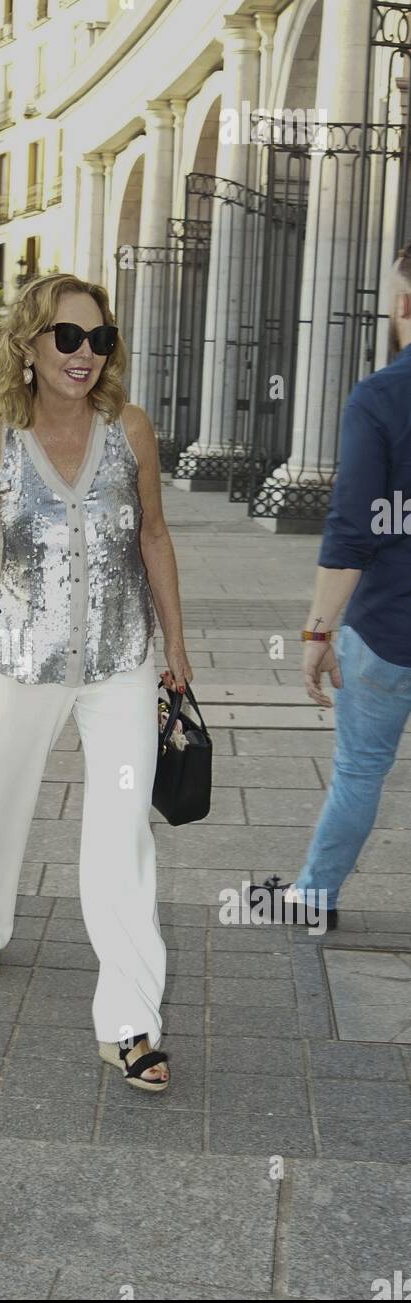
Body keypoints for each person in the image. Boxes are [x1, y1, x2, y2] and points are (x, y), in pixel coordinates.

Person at [0, 272, 194, 1092]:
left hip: (120, 660)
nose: (85, 355)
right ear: (31, 345)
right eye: (68, 338)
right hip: (19, 659)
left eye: (99, 340)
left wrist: (175, 653)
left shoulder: (131, 430)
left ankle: (131, 1022)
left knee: (122, 837)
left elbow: (153, 537)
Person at [285, 246, 411, 931]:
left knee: (361, 770)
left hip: (386, 629)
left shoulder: (380, 397)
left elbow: (351, 529)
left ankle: (314, 896)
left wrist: (317, 633)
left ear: (404, 305)